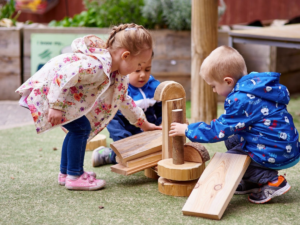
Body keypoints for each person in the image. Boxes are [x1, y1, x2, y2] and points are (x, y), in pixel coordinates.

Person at [15, 23, 161, 191]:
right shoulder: (96, 66)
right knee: (81, 128)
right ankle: (75, 176)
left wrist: (144, 124)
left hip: (61, 100)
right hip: (51, 94)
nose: (139, 70)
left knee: (77, 128)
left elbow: (124, 100)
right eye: (139, 65)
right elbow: (63, 76)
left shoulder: (117, 74)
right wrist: (56, 106)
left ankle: (66, 173)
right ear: (125, 56)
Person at [169, 46, 300, 204]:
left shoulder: (240, 100)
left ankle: (272, 181)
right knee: (232, 140)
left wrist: (188, 130)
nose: (214, 91)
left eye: (213, 86)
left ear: (228, 81)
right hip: (285, 145)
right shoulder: (256, 86)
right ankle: (253, 181)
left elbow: (218, 131)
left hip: (275, 151)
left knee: (230, 161)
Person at [92, 52, 162, 166]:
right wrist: (123, 141)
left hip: (151, 135)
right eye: (137, 70)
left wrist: (161, 125)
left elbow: (161, 109)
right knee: (128, 157)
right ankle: (109, 155)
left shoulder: (155, 87)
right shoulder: (120, 90)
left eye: (147, 70)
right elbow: (113, 121)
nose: (143, 75)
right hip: (129, 138)